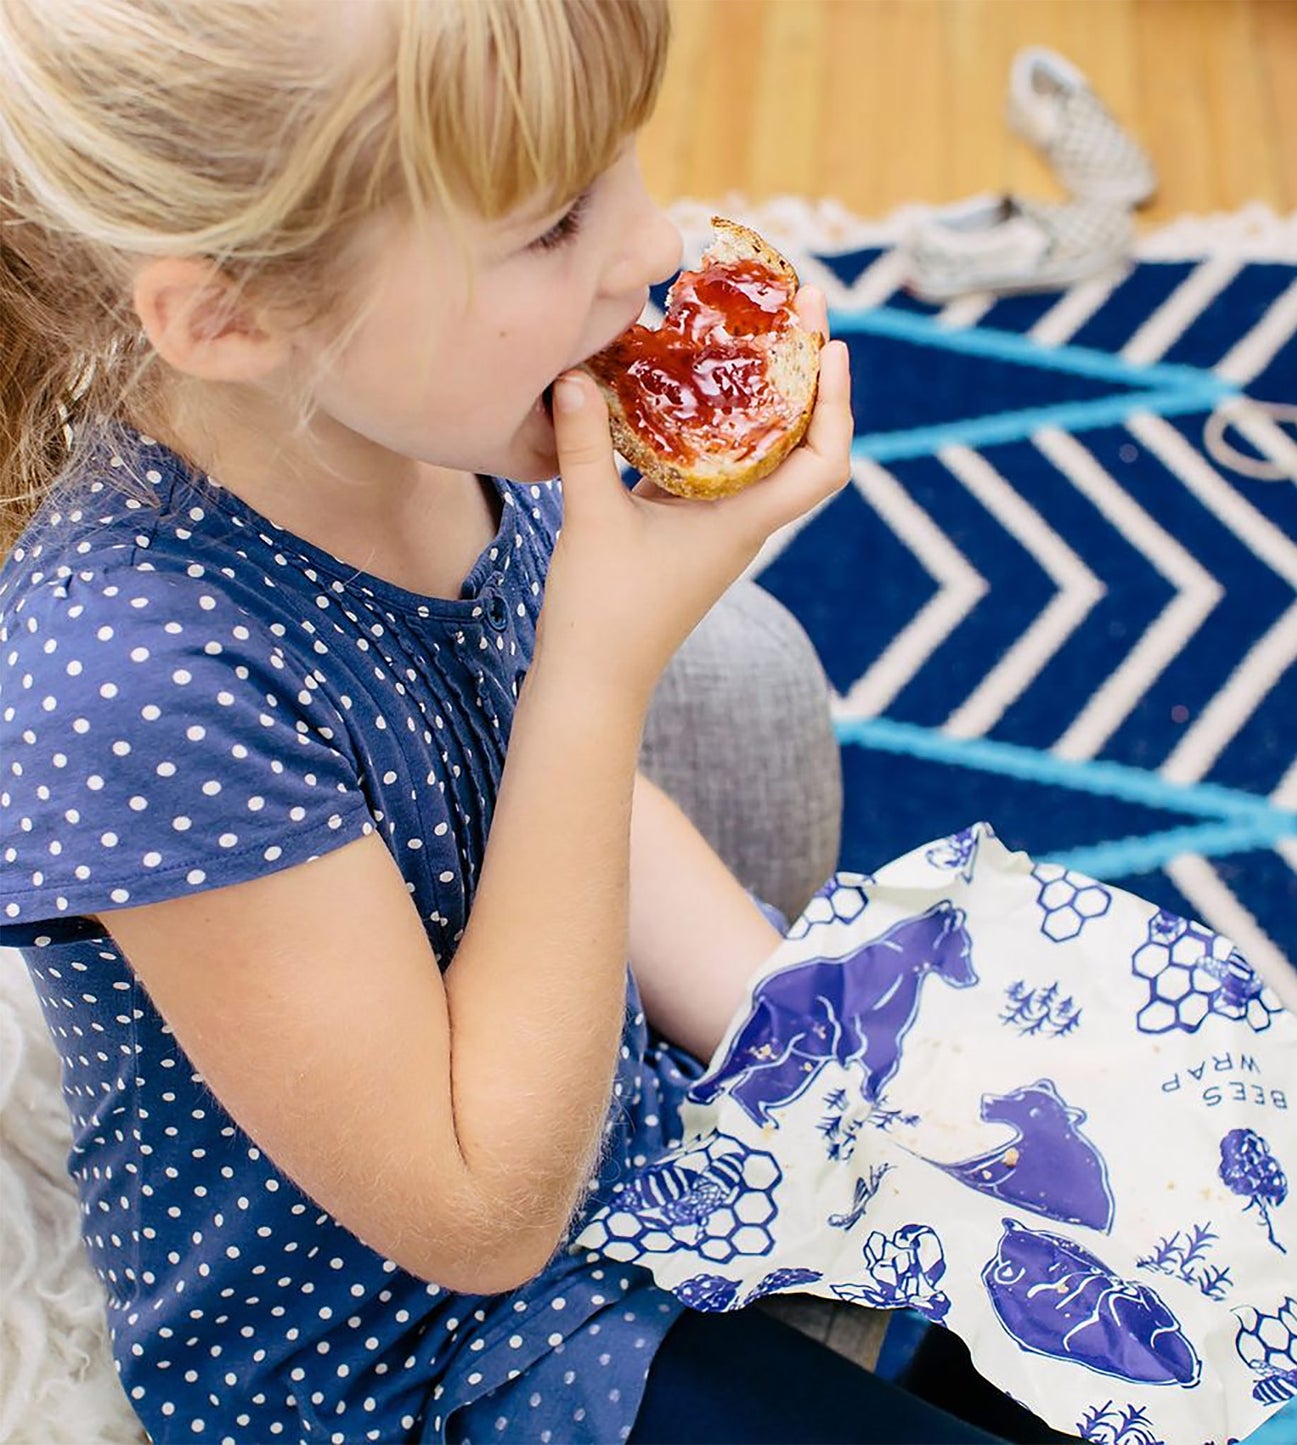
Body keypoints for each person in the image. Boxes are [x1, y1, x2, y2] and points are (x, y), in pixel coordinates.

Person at [0, 2, 1074, 1441]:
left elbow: (577, 815)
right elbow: (473, 1214)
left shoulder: (420, 425)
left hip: (614, 1160)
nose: (649, 247)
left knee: (1089, 1283)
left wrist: (843, 1058)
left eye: (622, 162)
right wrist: (597, 663)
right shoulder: (131, 684)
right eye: (554, 223)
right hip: (395, 1359)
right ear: (231, 317)